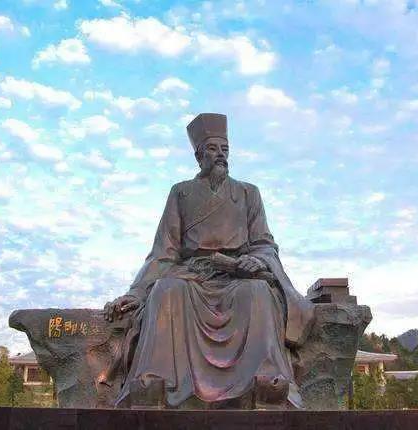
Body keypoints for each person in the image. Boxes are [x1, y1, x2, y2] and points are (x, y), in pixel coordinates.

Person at [104, 113, 315, 409]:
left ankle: (267, 380)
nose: (221, 155)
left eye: (225, 150)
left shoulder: (248, 193)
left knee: (258, 293)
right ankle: (155, 380)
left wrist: (256, 261)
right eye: (213, 149)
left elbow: (264, 243)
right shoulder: (181, 192)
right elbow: (164, 251)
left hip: (236, 276)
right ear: (198, 155)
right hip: (192, 273)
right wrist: (136, 292)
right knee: (166, 291)